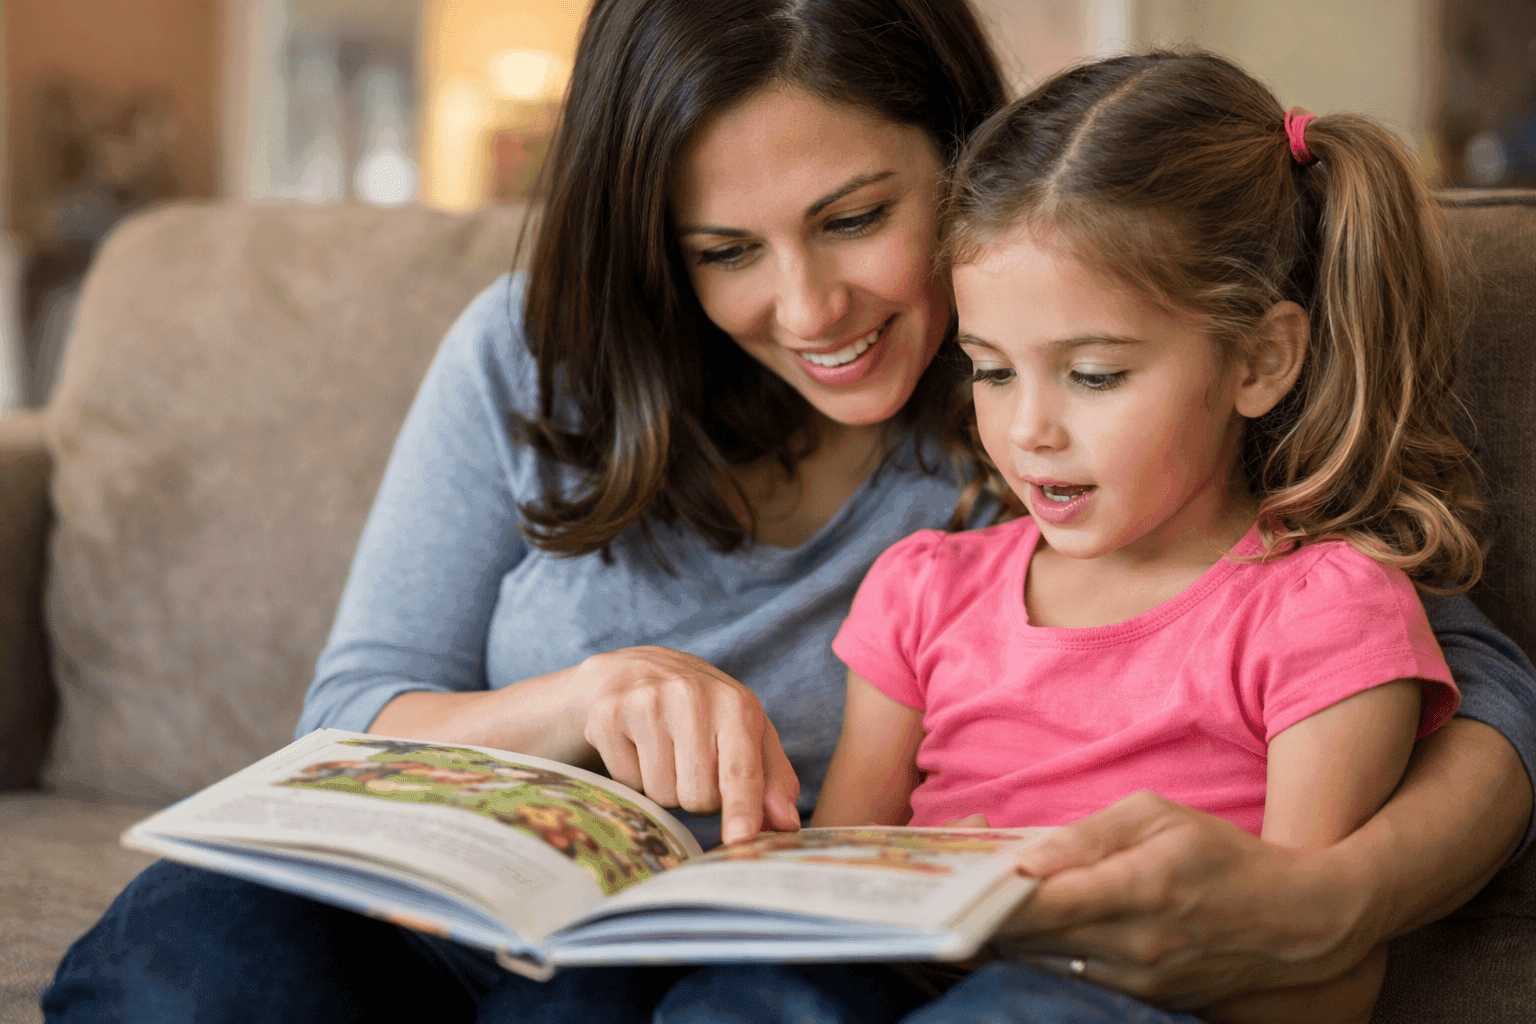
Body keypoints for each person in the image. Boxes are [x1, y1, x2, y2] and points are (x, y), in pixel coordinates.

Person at [40, 3, 1535, 1023]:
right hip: (492, 935)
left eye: (856, 219)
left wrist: (1328, 904)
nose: (810, 308)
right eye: (723, 249)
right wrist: (582, 698)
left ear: (960, 162)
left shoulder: (1072, 394)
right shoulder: (534, 355)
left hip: (783, 977)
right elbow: (355, 713)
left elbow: (1469, 681)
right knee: (187, 943)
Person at [805, 47, 1480, 1024]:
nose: (1028, 428)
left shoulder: (1324, 610)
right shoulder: (920, 587)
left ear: (1260, 359)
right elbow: (831, 892)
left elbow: (1319, 976)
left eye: (1093, 375)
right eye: (992, 371)